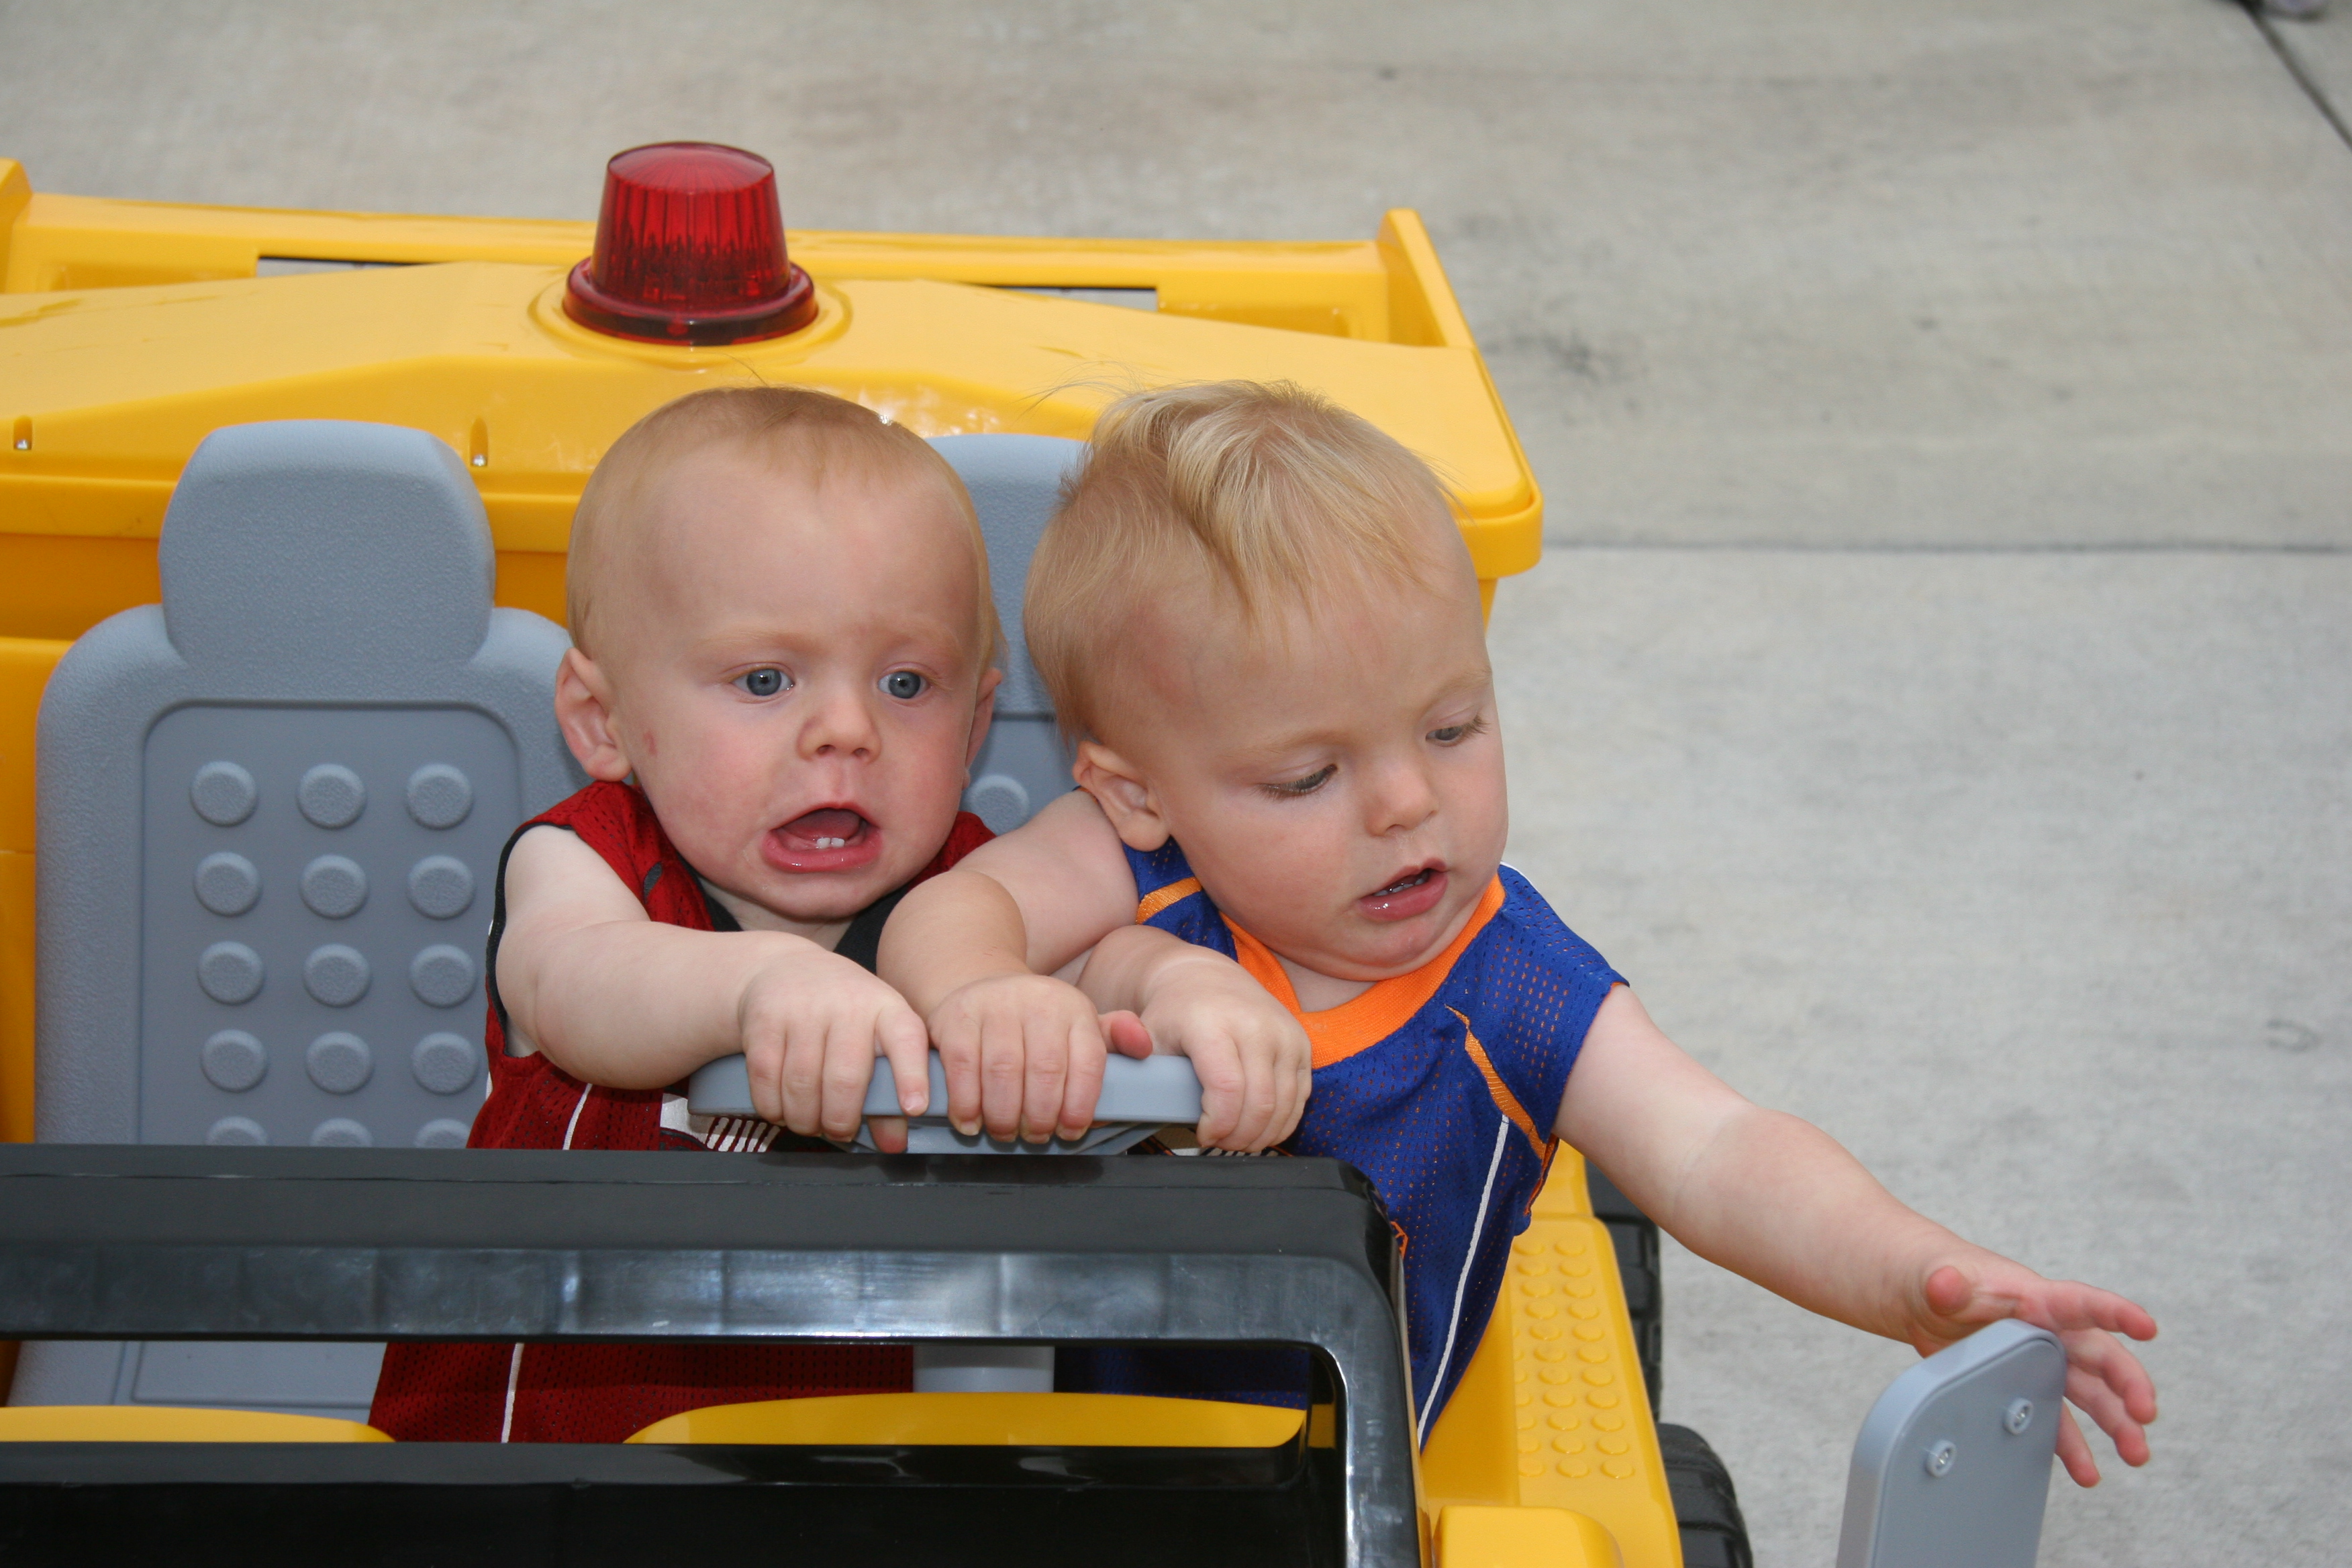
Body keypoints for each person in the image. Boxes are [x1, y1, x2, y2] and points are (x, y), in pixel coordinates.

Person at [879, 380, 2159, 1482]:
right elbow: (953, 911)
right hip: (1047, 1457)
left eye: (1451, 728)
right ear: (1137, 789)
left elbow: (1716, 1148)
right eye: (1306, 777)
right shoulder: (1134, 861)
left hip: (1344, 1502)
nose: (1406, 802)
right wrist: (990, 991)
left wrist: (1911, 1276)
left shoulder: (1511, 989)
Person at [373, 385, 1014, 1441]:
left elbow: (1097, 968)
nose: (847, 729)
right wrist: (764, 985)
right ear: (603, 718)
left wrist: (1168, 990)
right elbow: (576, 983)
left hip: (831, 1486)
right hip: (534, 1483)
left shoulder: (972, 895)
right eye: (766, 678)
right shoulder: (587, 866)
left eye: (908, 683)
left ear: (979, 718)